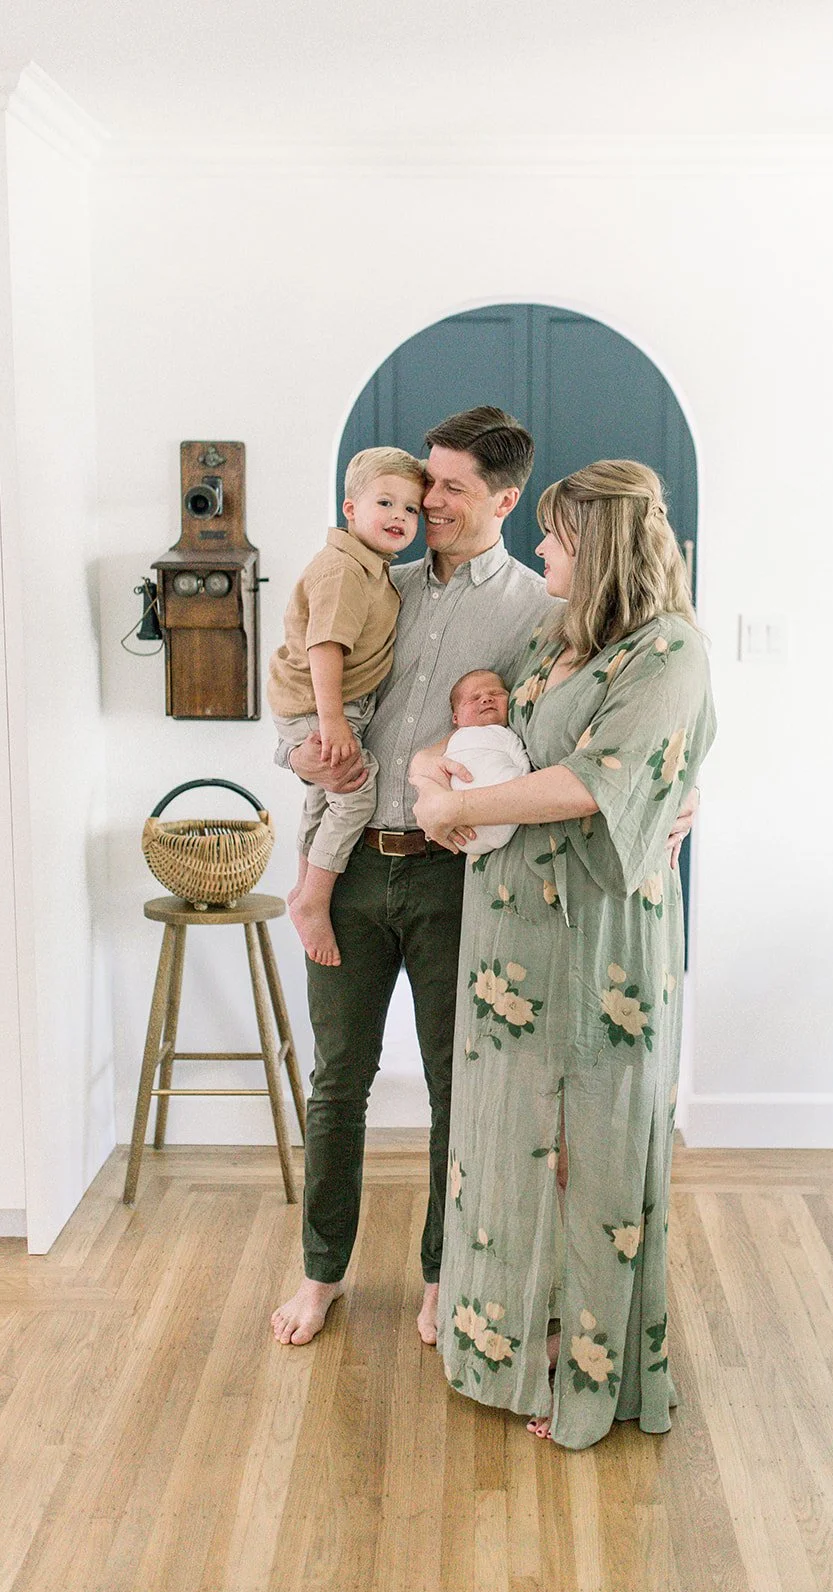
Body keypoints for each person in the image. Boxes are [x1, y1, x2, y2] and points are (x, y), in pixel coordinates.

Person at [411, 460, 716, 1450]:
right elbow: (469, 728)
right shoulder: (554, 635)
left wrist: (453, 807)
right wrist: (430, 778)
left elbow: (590, 782)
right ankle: (512, 1344)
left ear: (598, 548)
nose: (539, 548)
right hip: (507, 936)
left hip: (596, 940)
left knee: (591, 1146)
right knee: (505, 1142)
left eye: (554, 535)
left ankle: (589, 1369)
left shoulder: (667, 652)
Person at [270, 407, 548, 1347]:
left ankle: (442, 1274)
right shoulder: (369, 580)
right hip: (347, 869)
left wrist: (681, 798)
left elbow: (569, 733)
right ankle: (321, 1273)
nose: (428, 501)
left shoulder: (536, 611)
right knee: (337, 1083)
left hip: (454, 881)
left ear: (503, 500)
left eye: (453, 487)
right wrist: (299, 754)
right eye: (427, 481)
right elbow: (296, 696)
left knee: (453, 1087)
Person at [267, 448, 425, 965]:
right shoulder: (343, 569)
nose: (400, 516)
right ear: (350, 509)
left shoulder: (372, 568)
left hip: (322, 705)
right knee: (356, 790)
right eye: (385, 502)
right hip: (320, 705)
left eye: (411, 509)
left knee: (325, 793)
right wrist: (333, 721)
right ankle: (314, 899)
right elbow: (325, 645)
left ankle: (302, 887)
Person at [444, 669, 531, 854]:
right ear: (456, 718)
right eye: (474, 698)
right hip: (457, 827)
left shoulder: (506, 734)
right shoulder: (454, 740)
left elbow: (523, 765)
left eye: (496, 693)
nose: (486, 699)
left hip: (504, 813)